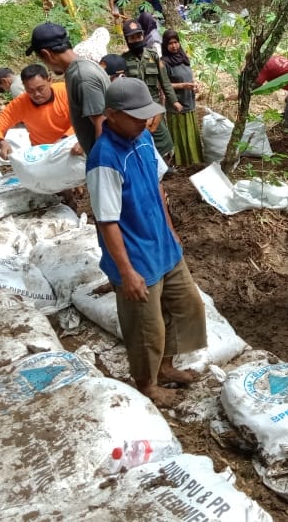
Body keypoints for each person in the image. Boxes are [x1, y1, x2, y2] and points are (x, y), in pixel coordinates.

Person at [87, 77, 207, 408]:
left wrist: (171, 231)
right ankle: (147, 384)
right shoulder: (104, 160)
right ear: (111, 115)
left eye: (146, 115)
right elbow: (107, 221)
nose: (145, 122)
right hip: (135, 255)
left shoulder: (142, 139)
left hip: (162, 244)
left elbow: (158, 189)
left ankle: (166, 366)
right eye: (136, 116)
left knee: (186, 307)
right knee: (146, 328)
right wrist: (126, 272)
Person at [26, 22, 109, 156]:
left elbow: (102, 123)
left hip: (106, 158)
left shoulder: (82, 77)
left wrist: (101, 164)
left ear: (46, 54)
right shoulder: (82, 68)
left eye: (42, 59)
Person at [0, 64, 75, 158]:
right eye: (30, 90)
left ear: (49, 81)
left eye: (41, 89)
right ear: (24, 87)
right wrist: (1, 143)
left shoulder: (66, 91)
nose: (36, 94)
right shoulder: (20, 104)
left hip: (72, 144)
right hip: (43, 153)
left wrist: (64, 140)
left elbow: (84, 120)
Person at [121, 19, 179, 161]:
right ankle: (148, 166)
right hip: (136, 108)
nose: (136, 40)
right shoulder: (123, 60)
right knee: (140, 140)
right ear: (127, 40)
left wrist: (174, 101)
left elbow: (164, 81)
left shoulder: (153, 55)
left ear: (143, 36)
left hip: (155, 106)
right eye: (132, 37)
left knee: (164, 141)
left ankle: (163, 166)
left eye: (139, 36)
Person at [161, 30, 204, 166]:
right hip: (176, 104)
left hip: (189, 101)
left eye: (176, 42)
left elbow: (189, 77)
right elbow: (163, 85)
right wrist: (183, 85)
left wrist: (195, 85)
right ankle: (180, 162)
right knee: (180, 134)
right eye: (170, 43)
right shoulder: (164, 62)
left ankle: (194, 161)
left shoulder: (184, 58)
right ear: (165, 45)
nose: (174, 46)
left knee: (191, 132)